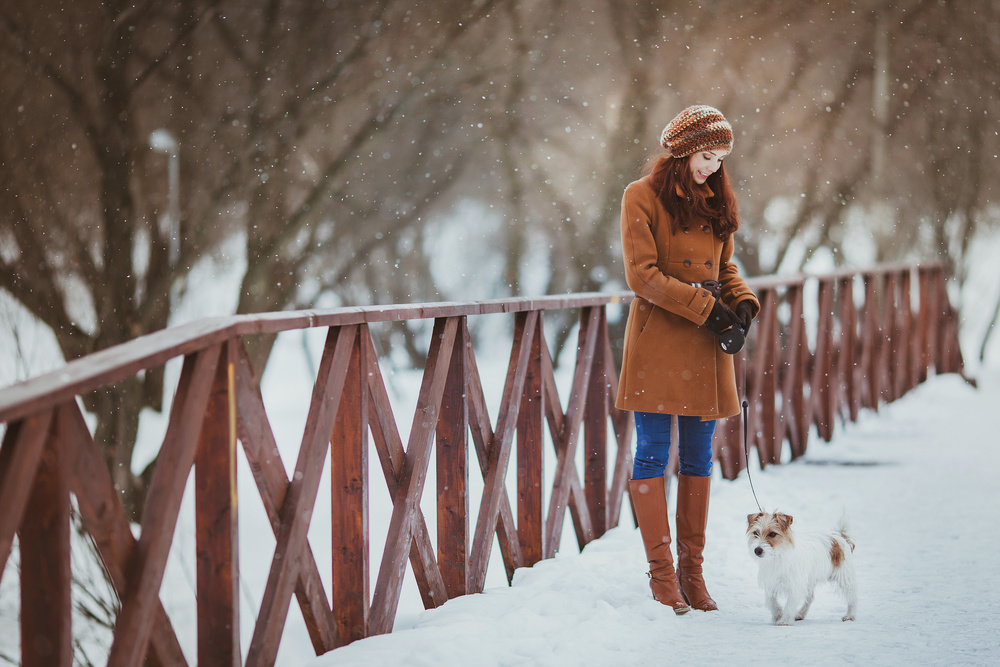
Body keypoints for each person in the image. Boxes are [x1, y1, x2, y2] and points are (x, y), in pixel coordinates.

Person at [616, 105, 759, 614]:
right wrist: (708, 310)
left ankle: (692, 575)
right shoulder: (642, 196)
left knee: (699, 458)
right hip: (661, 337)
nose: (712, 168)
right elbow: (643, 276)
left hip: (705, 344)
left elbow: (724, 267)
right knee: (653, 451)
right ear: (680, 152)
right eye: (705, 156)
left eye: (719, 159)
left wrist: (740, 301)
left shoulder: (717, 200)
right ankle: (661, 575)